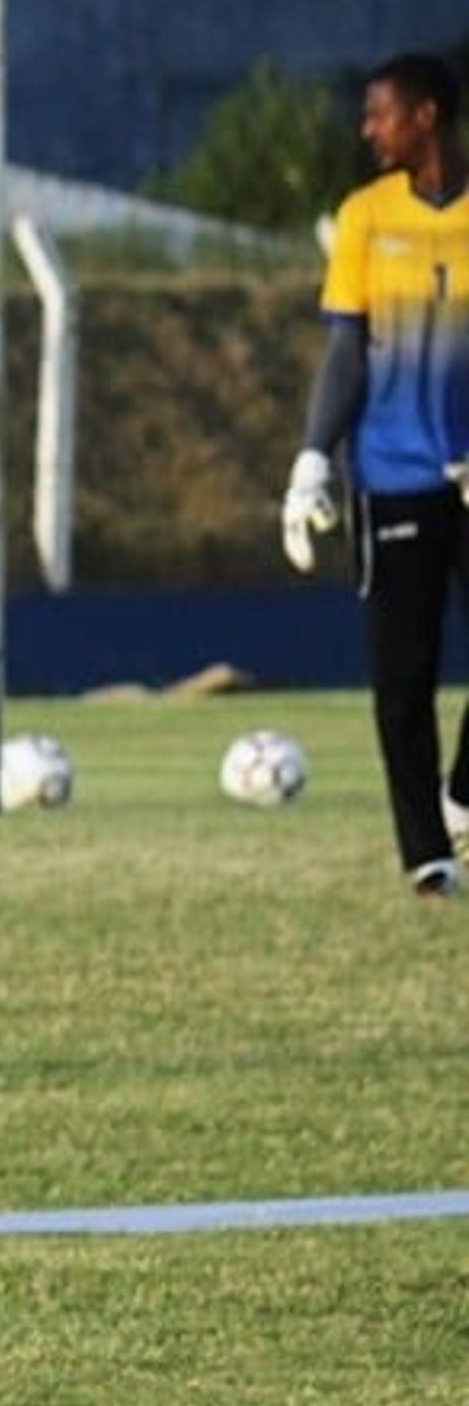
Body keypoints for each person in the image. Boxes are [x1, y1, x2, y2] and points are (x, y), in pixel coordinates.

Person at [281, 48, 469, 897]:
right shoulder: (363, 217)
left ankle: (463, 793)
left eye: (380, 113)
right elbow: (347, 352)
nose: (367, 129)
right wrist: (315, 455)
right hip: (394, 477)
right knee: (403, 677)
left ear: (426, 115)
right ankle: (428, 856)